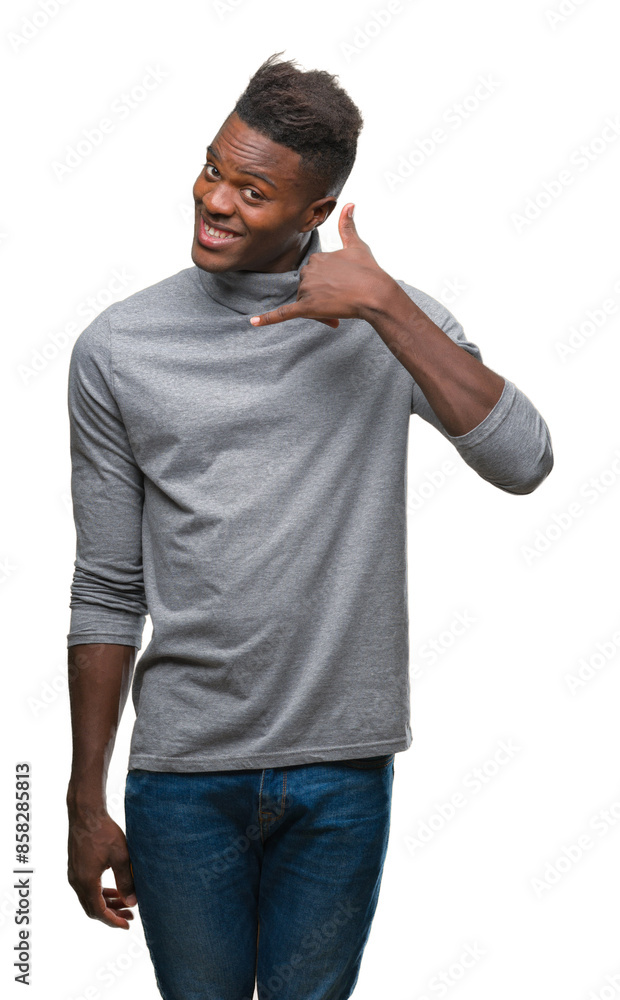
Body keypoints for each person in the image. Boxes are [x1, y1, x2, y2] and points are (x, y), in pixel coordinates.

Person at [65, 51, 554, 1000]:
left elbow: (525, 460)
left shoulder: (388, 322)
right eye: (214, 167)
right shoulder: (118, 349)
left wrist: (381, 303)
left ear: (316, 213)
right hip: (183, 777)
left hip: (341, 771)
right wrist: (84, 799)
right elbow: (107, 587)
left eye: (253, 190)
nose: (215, 200)